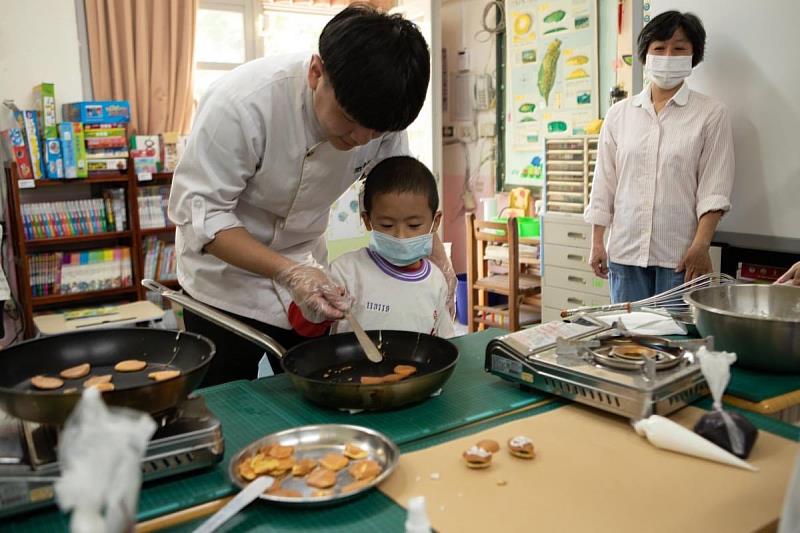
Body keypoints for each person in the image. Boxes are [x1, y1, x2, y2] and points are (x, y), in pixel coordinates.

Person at [168, 5, 454, 385]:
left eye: (377, 132)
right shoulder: (241, 105)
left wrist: (437, 259)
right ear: (316, 72)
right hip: (223, 280)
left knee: (308, 390)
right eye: (350, 122)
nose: (361, 140)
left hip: (309, 278)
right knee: (225, 398)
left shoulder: (379, 118)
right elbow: (203, 217)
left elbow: (406, 193)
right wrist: (288, 272)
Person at [584, 11, 735, 304]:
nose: (668, 55)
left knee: (674, 342)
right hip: (625, 253)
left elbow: (714, 190)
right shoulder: (619, 115)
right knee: (627, 343)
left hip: (679, 257)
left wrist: (701, 246)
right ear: (645, 54)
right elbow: (603, 183)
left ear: (694, 55)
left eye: (679, 48)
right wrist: (597, 242)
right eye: (659, 48)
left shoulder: (711, 114)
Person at [287, 156, 455, 339]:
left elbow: (444, 342)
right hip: (353, 366)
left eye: (414, 225)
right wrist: (312, 312)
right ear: (367, 220)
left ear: (435, 221)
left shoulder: (436, 281)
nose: (400, 236)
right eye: (387, 225)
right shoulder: (346, 271)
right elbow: (304, 326)